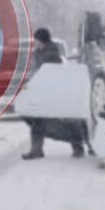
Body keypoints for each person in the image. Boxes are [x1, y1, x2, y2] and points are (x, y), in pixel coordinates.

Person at [21, 28, 86, 160]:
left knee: (68, 119)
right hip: (41, 91)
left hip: (56, 91)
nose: (35, 43)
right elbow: (35, 71)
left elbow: (47, 72)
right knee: (36, 118)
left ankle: (79, 147)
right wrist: (30, 83)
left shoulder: (52, 53)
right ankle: (36, 149)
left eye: (37, 40)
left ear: (42, 40)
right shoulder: (37, 53)